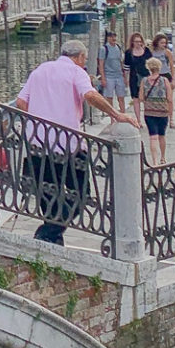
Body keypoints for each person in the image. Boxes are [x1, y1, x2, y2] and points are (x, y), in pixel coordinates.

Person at [15, 39, 139, 243]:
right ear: (79, 57)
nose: (84, 63)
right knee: (81, 195)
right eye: (84, 60)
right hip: (67, 145)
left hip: (37, 141)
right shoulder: (76, 72)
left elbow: (21, 101)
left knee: (48, 195)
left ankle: (52, 241)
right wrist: (117, 115)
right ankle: (47, 234)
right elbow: (90, 95)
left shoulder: (40, 70)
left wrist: (40, 118)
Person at [140, 56, 173, 165]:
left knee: (153, 137)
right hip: (162, 112)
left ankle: (154, 161)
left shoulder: (144, 81)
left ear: (148, 67)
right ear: (159, 67)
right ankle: (162, 158)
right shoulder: (165, 81)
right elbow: (169, 99)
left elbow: (140, 98)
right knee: (162, 136)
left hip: (149, 112)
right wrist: (171, 116)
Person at [123, 32, 153, 113]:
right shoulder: (128, 53)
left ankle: (149, 118)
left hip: (146, 77)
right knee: (136, 99)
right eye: (136, 41)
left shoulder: (146, 51)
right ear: (132, 42)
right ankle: (138, 121)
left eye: (140, 41)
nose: (138, 43)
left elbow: (152, 64)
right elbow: (126, 68)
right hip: (134, 78)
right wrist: (126, 79)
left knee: (147, 99)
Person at [98, 33, 128, 112]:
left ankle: (123, 113)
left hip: (119, 75)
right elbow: (101, 64)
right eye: (111, 37)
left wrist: (125, 77)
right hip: (108, 76)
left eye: (114, 36)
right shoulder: (104, 49)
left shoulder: (118, 47)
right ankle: (112, 116)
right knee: (109, 97)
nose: (113, 38)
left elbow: (121, 62)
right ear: (108, 38)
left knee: (121, 97)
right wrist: (103, 78)